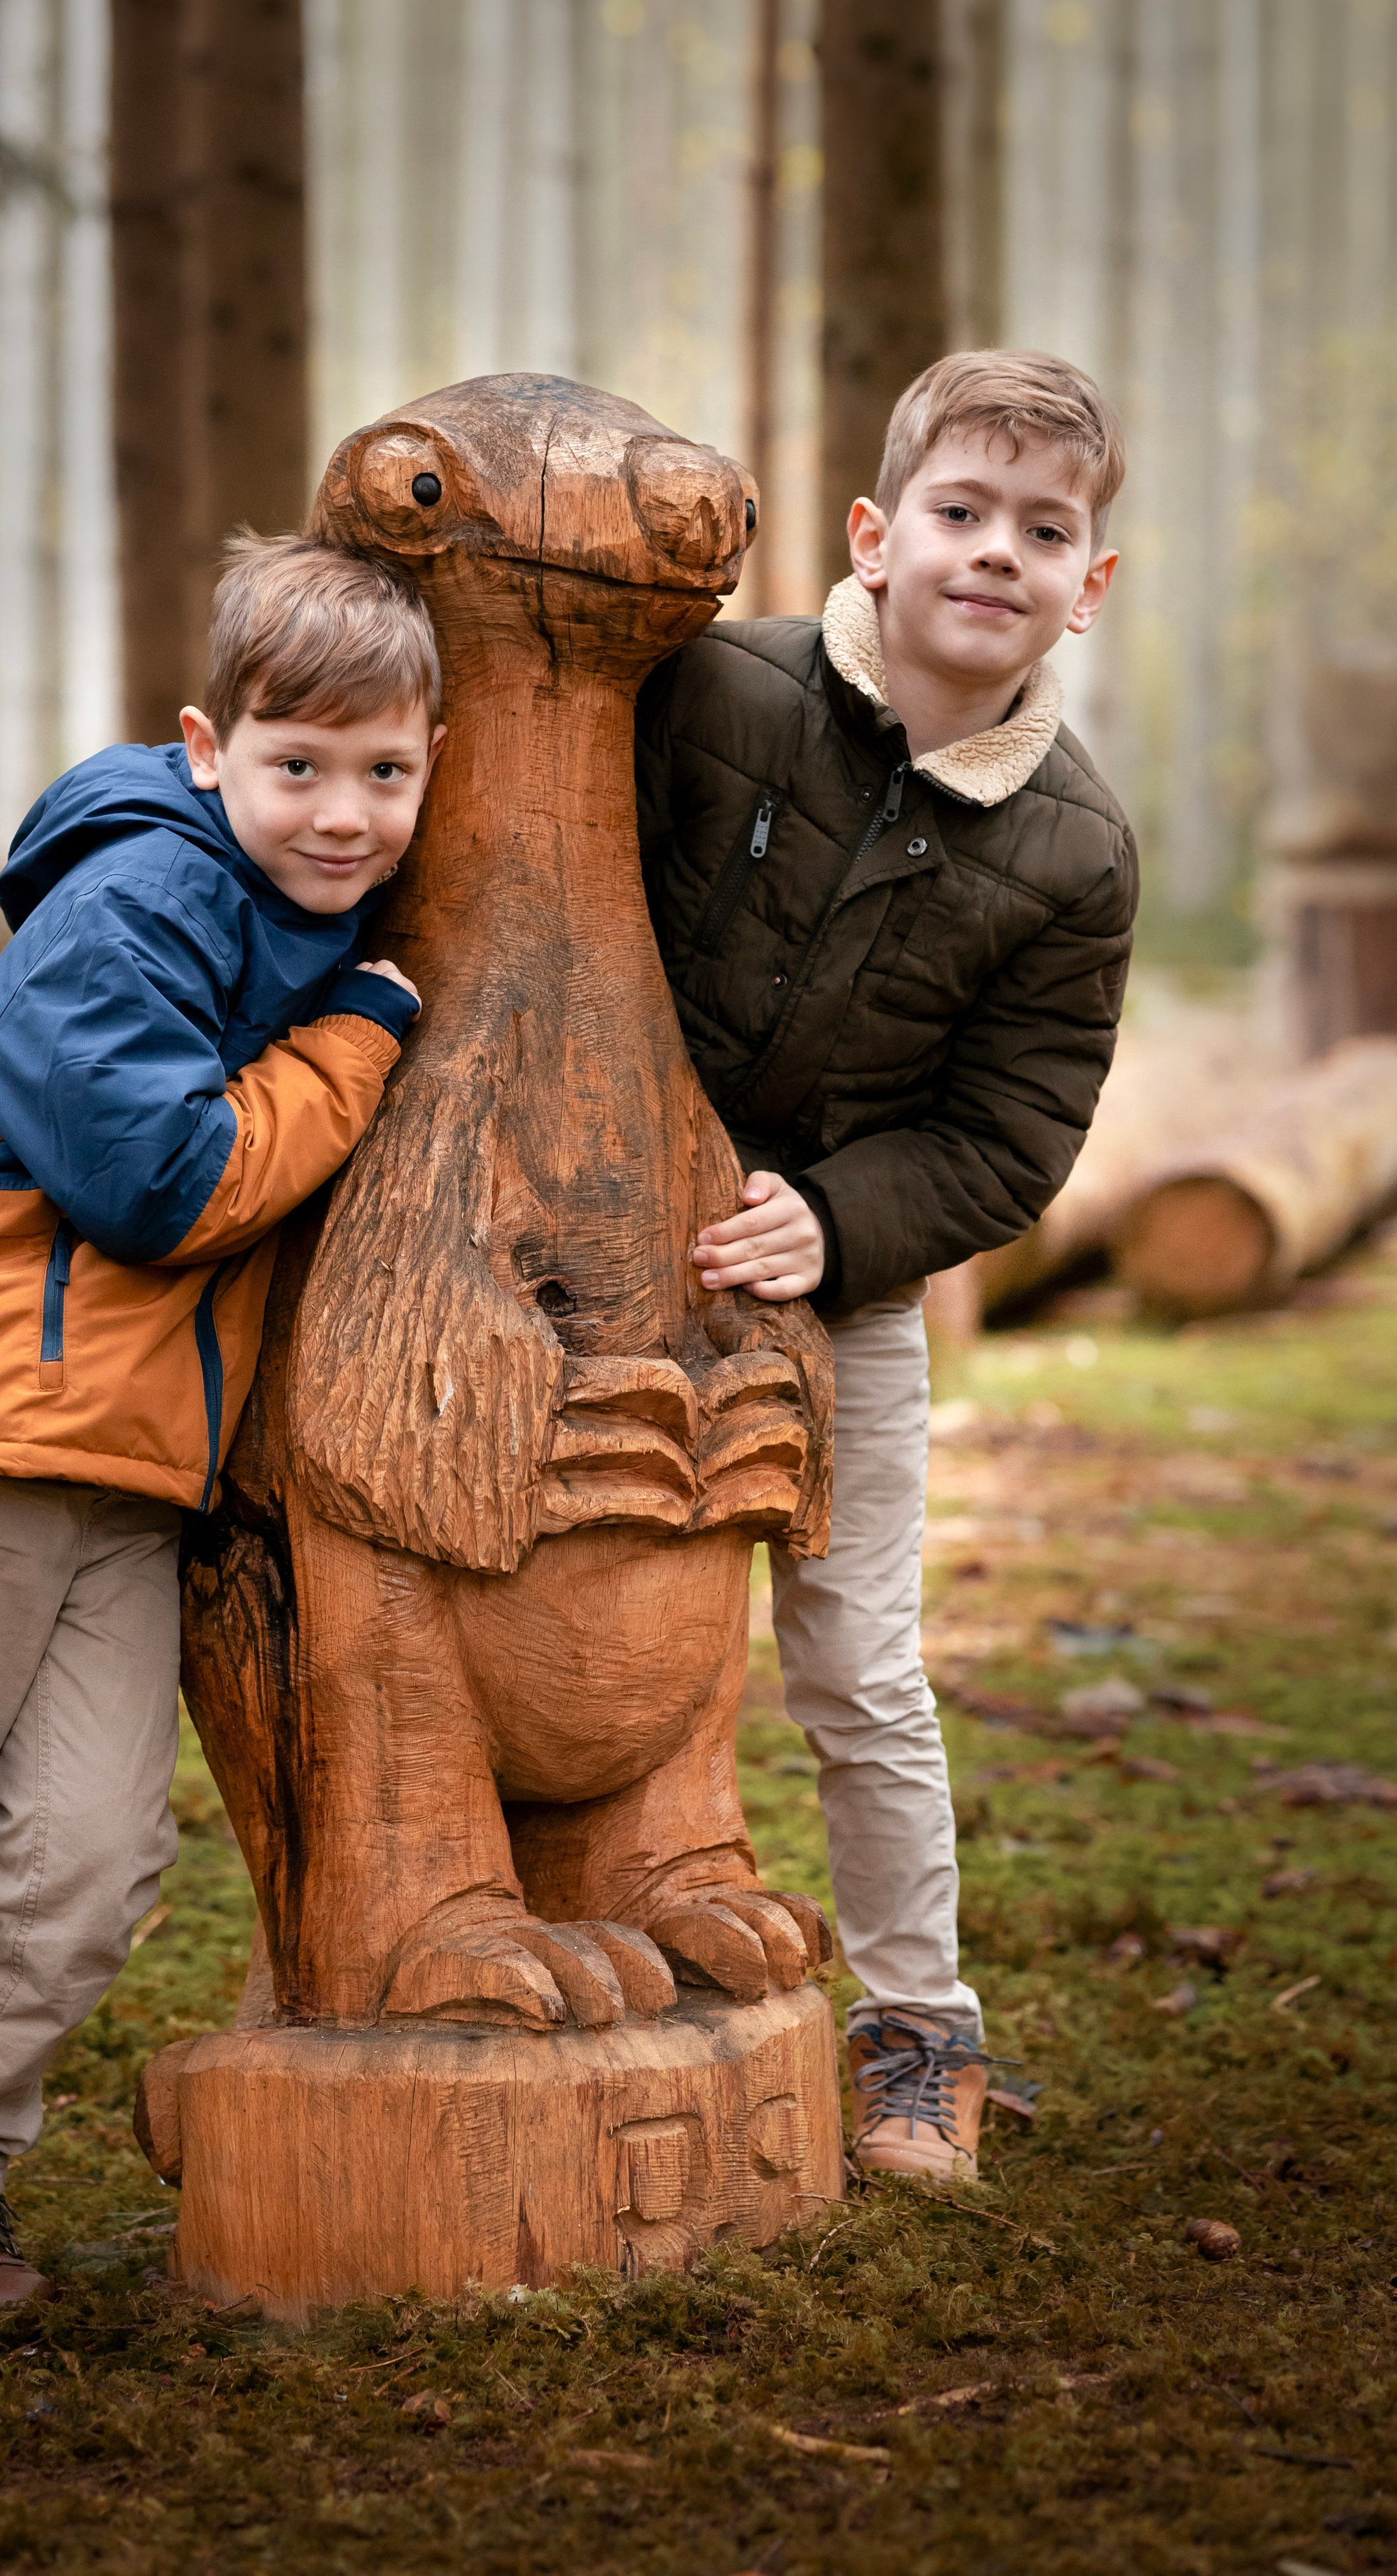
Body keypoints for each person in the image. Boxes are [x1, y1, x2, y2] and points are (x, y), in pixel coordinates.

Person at [0, 535, 445, 2352]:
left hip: (130, 1470)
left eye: (386, 771)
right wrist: (358, 1040)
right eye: (299, 764)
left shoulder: (317, 919)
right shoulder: (134, 897)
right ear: (208, 748)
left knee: (89, 1861)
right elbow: (162, 1183)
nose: (344, 812)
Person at [636, 349, 1136, 2181]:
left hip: (839, 1296)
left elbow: (1012, 1134)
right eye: (961, 510)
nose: (997, 552)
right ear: (874, 532)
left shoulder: (1077, 852)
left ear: (1090, 583)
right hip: (592, 1253)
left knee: (857, 1666)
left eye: (1044, 531)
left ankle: (921, 2035)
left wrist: (840, 1221)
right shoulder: (714, 691)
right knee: (587, 1623)